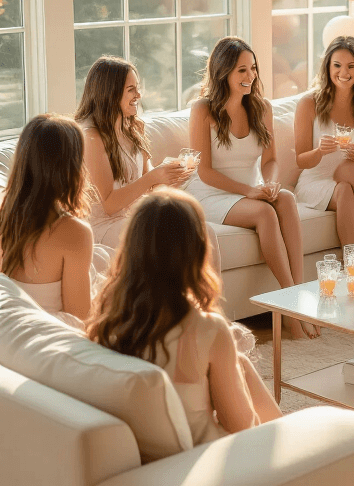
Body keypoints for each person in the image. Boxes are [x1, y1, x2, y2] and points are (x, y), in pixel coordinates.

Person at [88, 190, 281, 443]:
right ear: (195, 250)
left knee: (241, 364)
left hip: (149, 452)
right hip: (199, 458)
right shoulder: (207, 329)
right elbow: (242, 427)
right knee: (273, 426)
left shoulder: (107, 315)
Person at [187, 36, 313, 339]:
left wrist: (269, 182)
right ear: (223, 72)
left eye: (252, 68)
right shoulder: (202, 110)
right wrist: (250, 191)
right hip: (210, 192)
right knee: (265, 215)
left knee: (285, 199)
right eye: (241, 70)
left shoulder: (262, 108)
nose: (250, 76)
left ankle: (299, 301)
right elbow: (202, 171)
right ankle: (292, 308)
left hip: (250, 189)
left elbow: (270, 160)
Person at [76, 56, 190, 250]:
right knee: (166, 240)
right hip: (103, 226)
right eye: (131, 89)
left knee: (201, 231)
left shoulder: (133, 127)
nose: (138, 94)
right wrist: (153, 177)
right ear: (110, 93)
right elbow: (110, 204)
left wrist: (170, 176)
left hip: (134, 216)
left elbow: (149, 184)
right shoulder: (91, 137)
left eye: (138, 87)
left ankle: (206, 282)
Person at [0, 114, 96, 328]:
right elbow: (78, 318)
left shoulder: (5, 211)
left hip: (9, 328)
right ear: (71, 168)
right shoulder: (75, 232)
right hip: (50, 335)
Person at [294, 35, 354, 250]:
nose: (344, 73)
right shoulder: (309, 103)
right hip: (317, 180)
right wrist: (319, 151)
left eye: (351, 66)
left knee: (351, 169)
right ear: (328, 67)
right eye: (337, 65)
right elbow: (301, 161)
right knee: (344, 187)